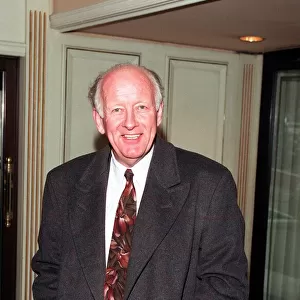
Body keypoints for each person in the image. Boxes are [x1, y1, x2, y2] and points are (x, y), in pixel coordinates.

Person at [32, 64, 248, 299]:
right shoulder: (62, 184)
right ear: (99, 120)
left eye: (141, 107)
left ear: (159, 112)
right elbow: (49, 273)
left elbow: (226, 286)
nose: (130, 122)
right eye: (117, 110)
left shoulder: (209, 185)